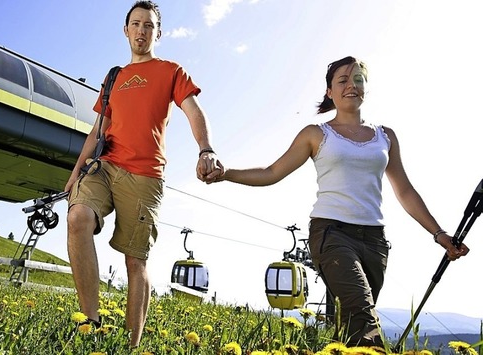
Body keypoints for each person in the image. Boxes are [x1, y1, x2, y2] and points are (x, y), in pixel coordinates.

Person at [214, 56, 469, 347]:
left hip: (374, 242)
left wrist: (439, 234)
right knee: (363, 318)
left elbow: (405, 191)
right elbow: (272, 172)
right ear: (330, 92)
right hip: (331, 234)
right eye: (343, 80)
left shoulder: (385, 137)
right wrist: (226, 174)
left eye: (358, 79)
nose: (352, 85)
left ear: (366, 88)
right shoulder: (316, 134)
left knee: (347, 330)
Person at [64, 1, 222, 348]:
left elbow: (194, 111)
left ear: (158, 33)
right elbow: (97, 131)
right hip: (105, 166)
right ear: (125, 31)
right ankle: (90, 323)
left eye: (148, 25)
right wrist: (76, 174)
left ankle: (130, 345)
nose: (141, 30)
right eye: (135, 24)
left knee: (135, 261)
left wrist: (205, 149)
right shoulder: (114, 78)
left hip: (145, 176)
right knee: (77, 216)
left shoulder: (171, 71)